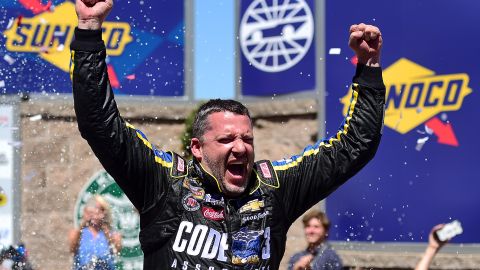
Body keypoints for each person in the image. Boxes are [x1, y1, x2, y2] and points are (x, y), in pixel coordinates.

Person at [70, 0, 385, 268]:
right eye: (226, 140)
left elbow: (357, 145)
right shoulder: (164, 183)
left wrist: (369, 68)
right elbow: (100, 125)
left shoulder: (275, 188)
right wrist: (88, 31)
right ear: (196, 147)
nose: (240, 148)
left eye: (247, 139)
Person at [68, 195, 122, 270]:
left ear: (104, 213)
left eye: (99, 210)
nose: (95, 213)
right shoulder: (77, 234)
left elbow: (116, 252)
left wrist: (105, 226)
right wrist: (84, 221)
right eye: (92, 210)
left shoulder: (113, 236)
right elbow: (72, 249)